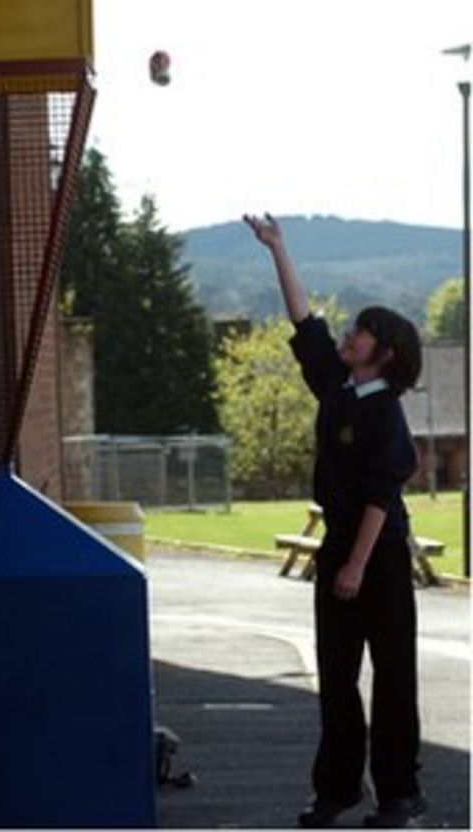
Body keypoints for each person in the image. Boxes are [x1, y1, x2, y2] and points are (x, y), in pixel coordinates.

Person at [243, 213, 426, 829]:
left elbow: (381, 495)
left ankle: (399, 796)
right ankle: (337, 790)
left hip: (380, 553)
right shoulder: (337, 387)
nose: (349, 335)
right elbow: (305, 323)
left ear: (386, 353)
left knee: (393, 677)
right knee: (337, 676)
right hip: (341, 546)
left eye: (362, 332)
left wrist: (355, 566)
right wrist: (278, 248)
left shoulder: (385, 413)